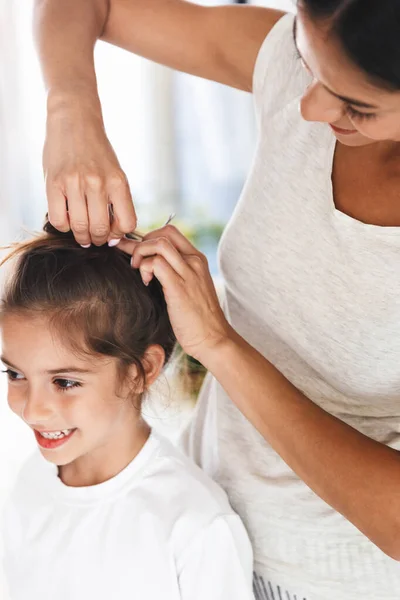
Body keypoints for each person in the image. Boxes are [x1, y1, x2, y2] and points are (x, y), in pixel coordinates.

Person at [33, 0, 400, 598]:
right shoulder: (303, 51)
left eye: (356, 105)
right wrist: (71, 111)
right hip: (200, 519)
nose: (308, 106)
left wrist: (219, 344)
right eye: (308, 65)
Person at [0, 220, 254, 600]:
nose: (33, 411)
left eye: (65, 382)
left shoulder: (194, 524)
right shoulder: (31, 481)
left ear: (141, 372)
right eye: (15, 374)